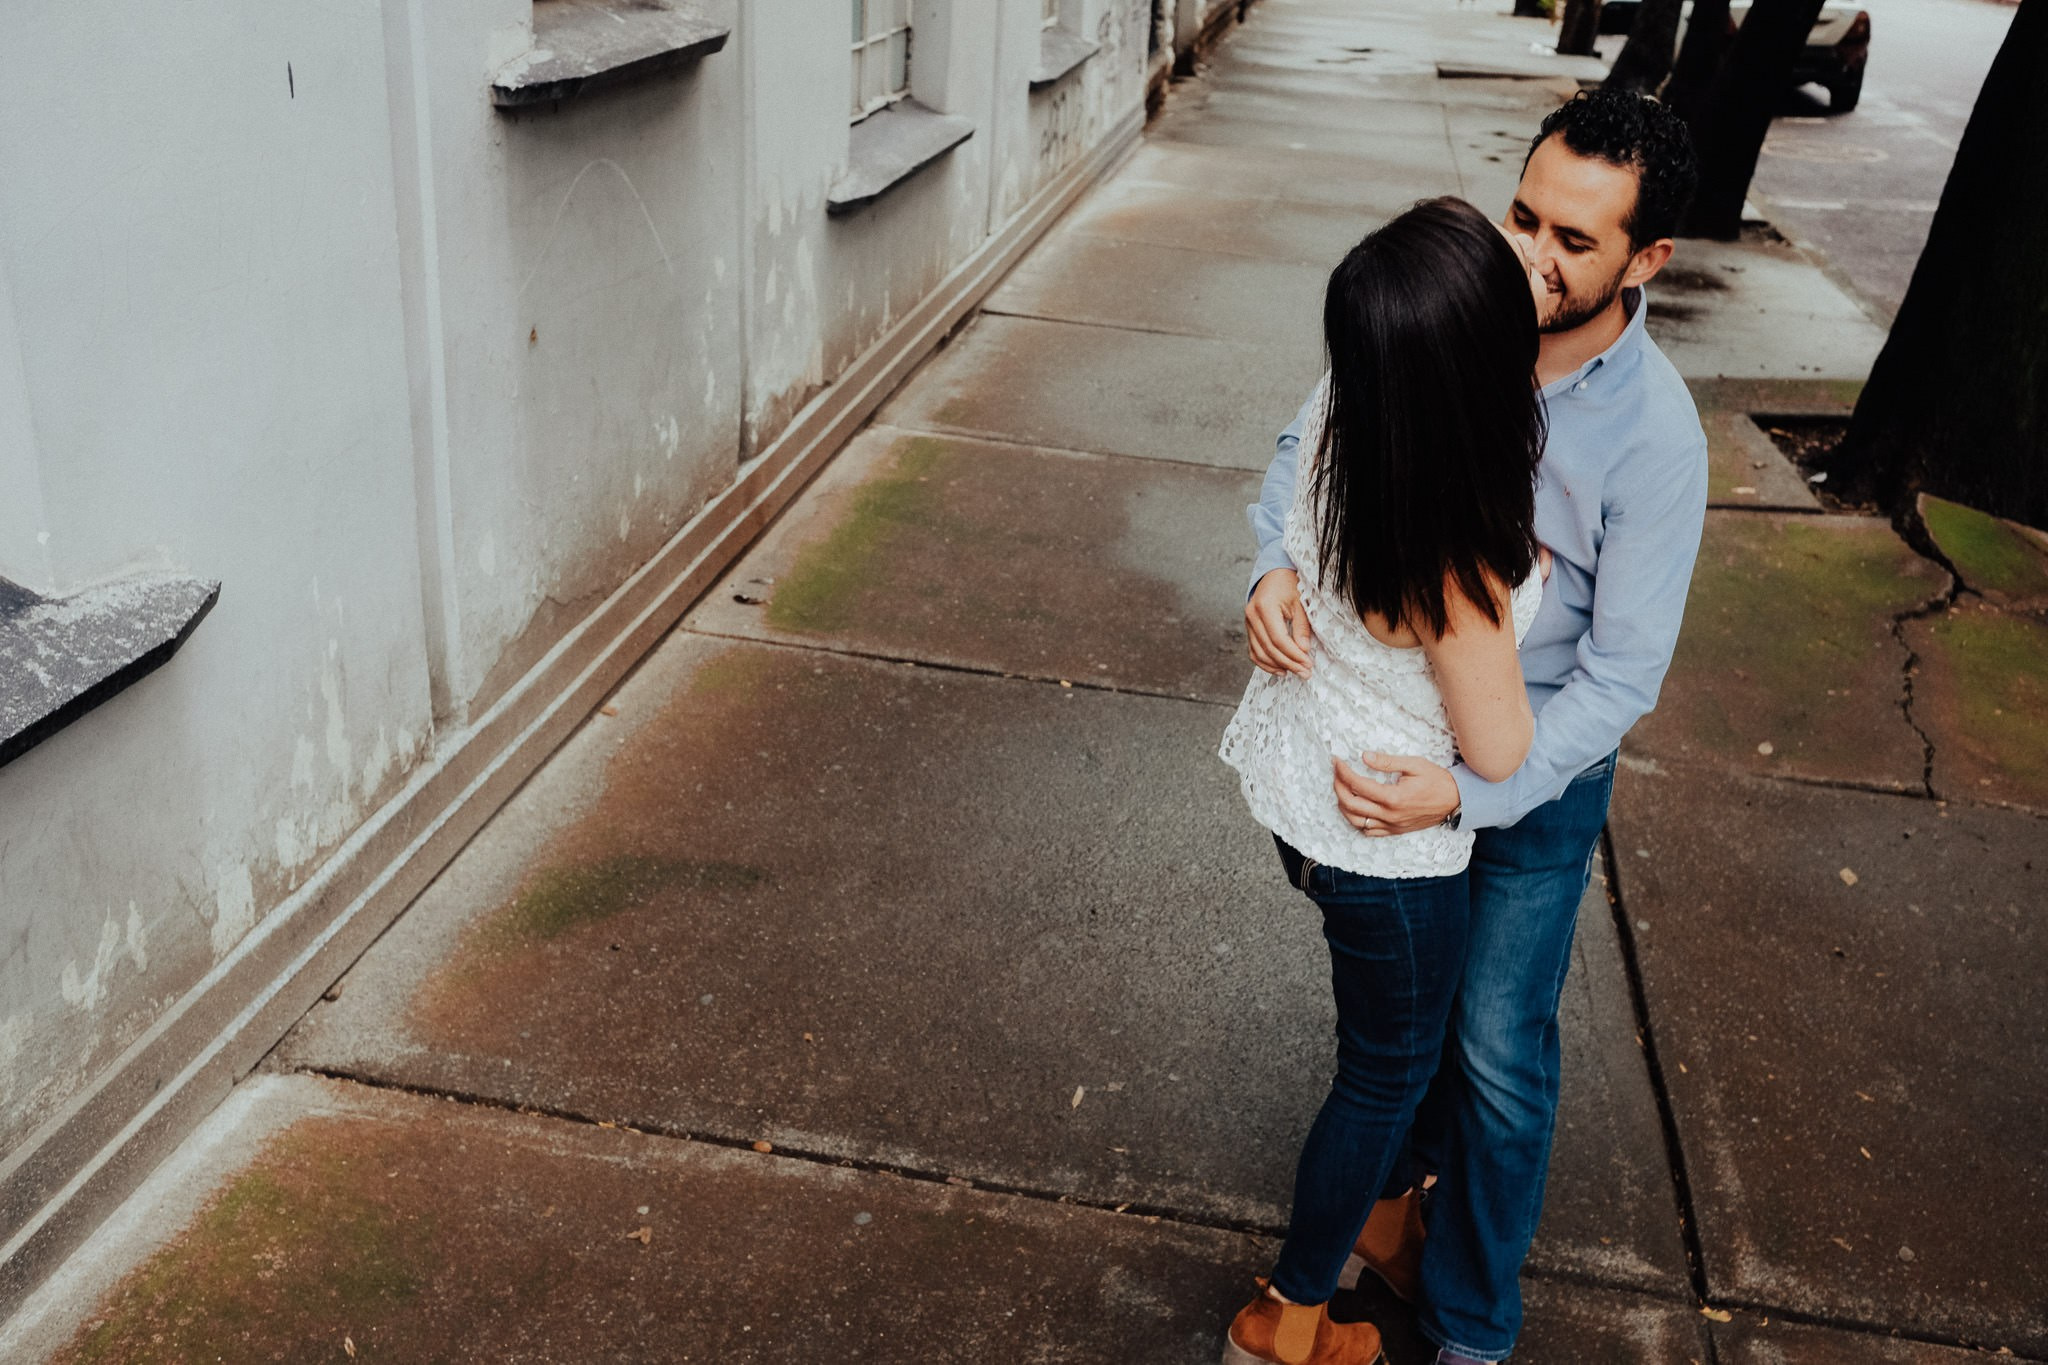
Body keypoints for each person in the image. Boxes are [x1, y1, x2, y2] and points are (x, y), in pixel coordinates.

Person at [1241, 91, 1707, 1364]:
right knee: (1411, 1037)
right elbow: (1306, 448)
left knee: (1495, 1057)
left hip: (1527, 781)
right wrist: (1270, 570)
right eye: (1522, 215)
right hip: (1396, 752)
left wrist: (1474, 795)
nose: (1533, 257)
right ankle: (1384, 1227)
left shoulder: (1655, 436)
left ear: (1645, 261)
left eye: (1574, 241)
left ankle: (1468, 1331)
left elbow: (1619, 678)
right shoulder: (1441, 310)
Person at [1216, 194, 1553, 1365]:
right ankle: (1289, 1315)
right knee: (1386, 1076)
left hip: (1304, 798)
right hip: (1387, 850)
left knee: (1392, 1064)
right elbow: (1501, 751)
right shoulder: (1456, 563)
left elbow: (1281, 506)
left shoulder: (1343, 426)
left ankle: (1383, 1215)